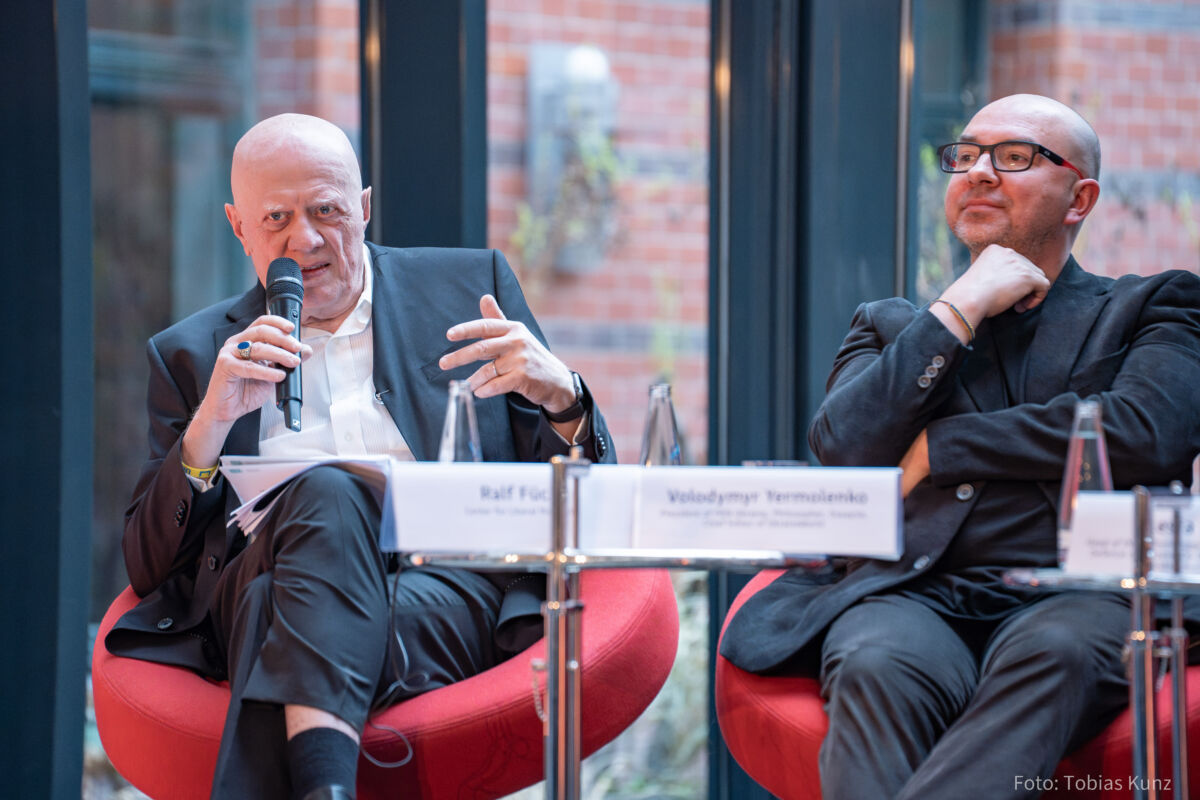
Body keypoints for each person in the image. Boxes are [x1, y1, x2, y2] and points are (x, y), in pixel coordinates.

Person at [105, 113, 616, 800]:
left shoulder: (469, 291)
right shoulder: (194, 356)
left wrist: (565, 396)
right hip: (266, 577)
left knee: (278, 608)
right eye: (277, 218)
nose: (306, 239)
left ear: (365, 207)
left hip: (445, 589)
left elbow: (592, 499)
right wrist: (210, 425)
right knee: (326, 496)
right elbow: (148, 568)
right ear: (239, 227)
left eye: (326, 210)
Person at [720, 94, 1200, 798]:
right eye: (965, 155)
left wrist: (941, 447)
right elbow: (845, 448)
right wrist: (959, 309)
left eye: (1014, 157)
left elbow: (1143, 433)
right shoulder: (891, 328)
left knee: (1056, 650)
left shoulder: (1153, 308)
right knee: (873, 658)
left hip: (1082, 593)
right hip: (912, 592)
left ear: (1080, 198)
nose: (977, 171)